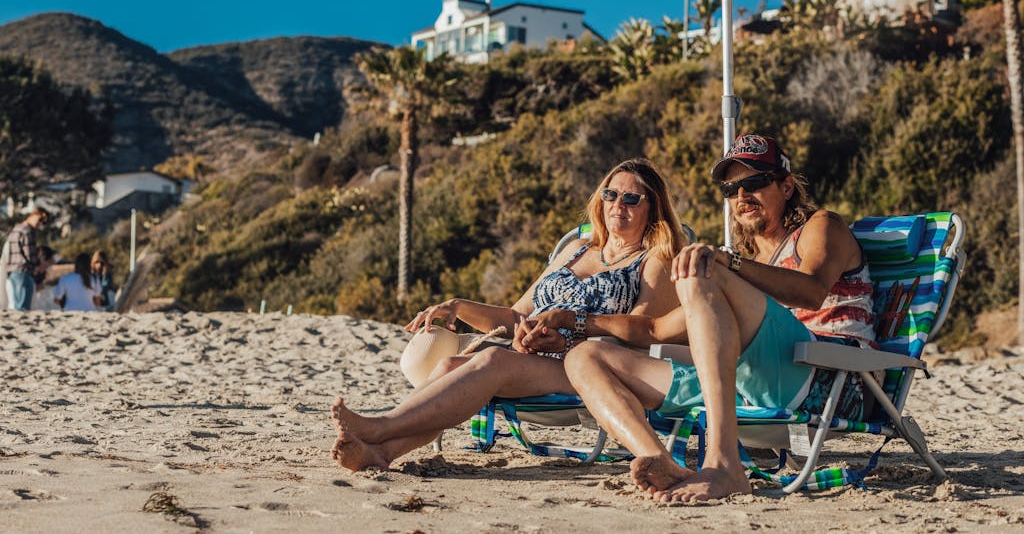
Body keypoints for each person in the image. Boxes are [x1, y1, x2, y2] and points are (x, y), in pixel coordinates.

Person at [534, 134, 874, 504]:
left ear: (787, 186)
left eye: (755, 183)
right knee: (584, 358)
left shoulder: (820, 227)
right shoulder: (745, 264)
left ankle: (724, 464)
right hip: (749, 384)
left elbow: (810, 291)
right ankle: (661, 460)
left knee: (700, 267)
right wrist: (576, 322)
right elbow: (655, 329)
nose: (742, 197)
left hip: (832, 380)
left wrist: (727, 263)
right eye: (731, 189)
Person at [329, 158, 687, 472]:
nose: (617, 205)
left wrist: (569, 333)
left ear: (651, 208)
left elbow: (642, 333)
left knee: (492, 361)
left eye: (631, 199)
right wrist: (458, 306)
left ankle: (381, 427)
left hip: (590, 367)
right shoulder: (577, 250)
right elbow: (517, 316)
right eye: (610, 194)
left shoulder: (655, 257)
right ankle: (382, 453)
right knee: (450, 366)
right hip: (533, 358)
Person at [3, 207, 50, 311]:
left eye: (43, 222)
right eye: (40, 219)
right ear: (34, 214)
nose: (40, 224)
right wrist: (39, 267)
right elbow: (30, 255)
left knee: (15, 306)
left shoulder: (16, 228)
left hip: (12, 272)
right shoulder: (27, 231)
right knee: (23, 309)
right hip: (23, 271)